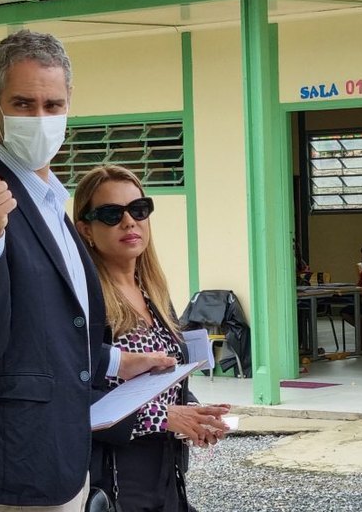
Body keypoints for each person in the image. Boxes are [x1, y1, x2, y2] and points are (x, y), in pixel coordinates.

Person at [0, 31, 173, 511]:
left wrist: (116, 362)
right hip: (16, 463)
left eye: (53, 105)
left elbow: (47, 334)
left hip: (63, 455)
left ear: (69, 103)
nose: (40, 119)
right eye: (23, 104)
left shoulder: (49, 201)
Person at [74, 165, 231, 511]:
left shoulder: (154, 293)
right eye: (112, 214)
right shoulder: (81, 300)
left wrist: (195, 415)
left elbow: (167, 380)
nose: (129, 222)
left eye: (139, 209)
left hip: (167, 473)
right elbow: (70, 391)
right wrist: (162, 417)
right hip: (115, 478)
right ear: (86, 229)